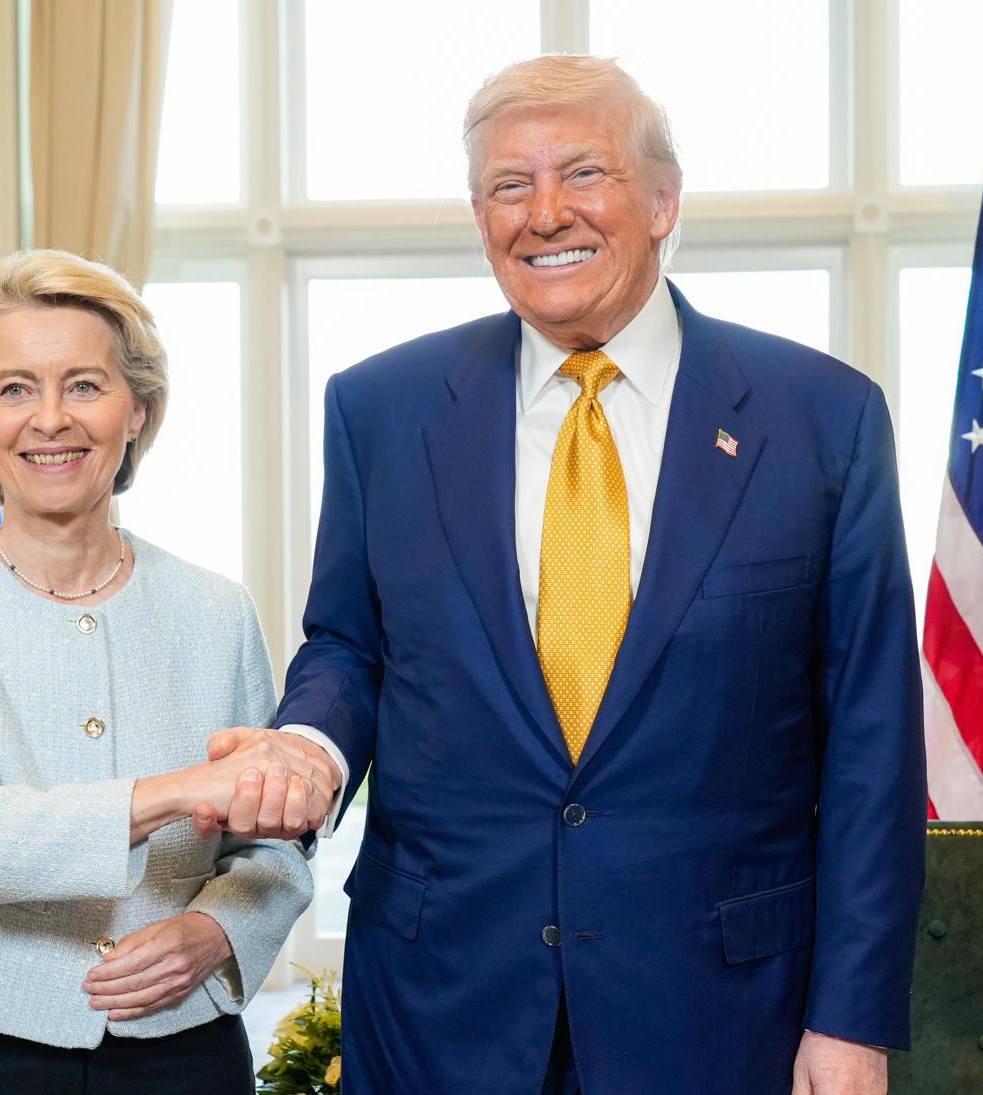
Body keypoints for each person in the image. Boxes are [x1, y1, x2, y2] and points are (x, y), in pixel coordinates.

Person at [209, 56, 926, 1094]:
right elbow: (351, 647)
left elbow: (872, 741)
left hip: (721, 1012)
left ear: (665, 199)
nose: (545, 214)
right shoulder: (382, 410)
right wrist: (312, 743)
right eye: (509, 186)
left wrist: (852, 1020)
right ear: (478, 213)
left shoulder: (821, 416)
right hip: (440, 1002)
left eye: (583, 175)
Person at [0, 249, 313, 1095]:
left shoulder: (216, 608)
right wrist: (183, 789)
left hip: (184, 1047)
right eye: (16, 387)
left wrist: (218, 930)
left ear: (137, 409)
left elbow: (273, 851)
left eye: (85, 385)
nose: (51, 418)